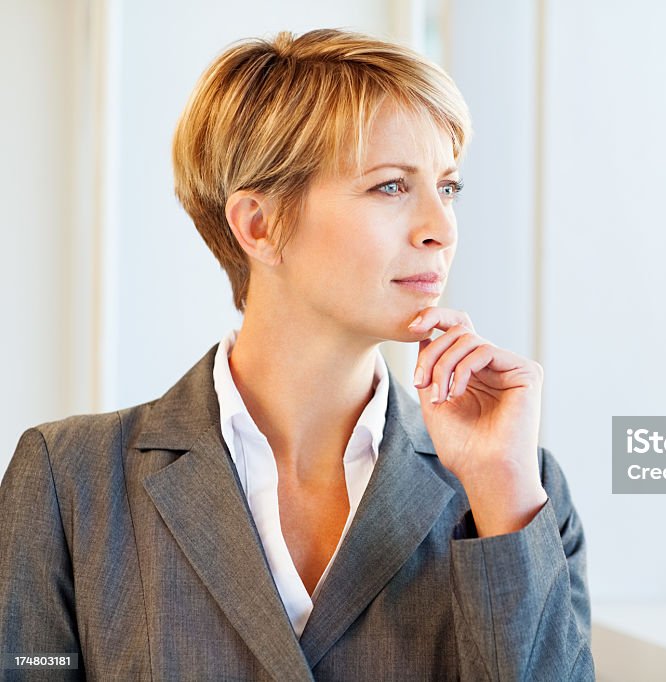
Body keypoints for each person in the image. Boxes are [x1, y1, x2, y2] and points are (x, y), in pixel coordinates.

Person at [0, 28, 593, 680]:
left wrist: (501, 491)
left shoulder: (518, 489)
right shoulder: (69, 484)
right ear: (260, 225)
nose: (441, 228)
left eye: (448, 187)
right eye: (392, 186)